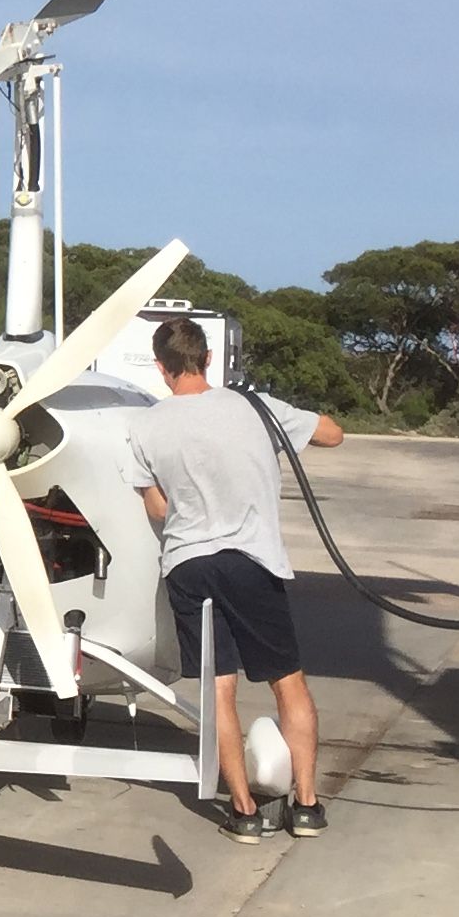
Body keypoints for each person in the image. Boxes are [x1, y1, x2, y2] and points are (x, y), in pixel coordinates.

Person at [123, 315, 345, 843]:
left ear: (161, 367)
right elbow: (333, 434)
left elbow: (157, 509)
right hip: (251, 559)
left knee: (219, 690)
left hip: (188, 564)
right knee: (286, 682)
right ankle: (307, 805)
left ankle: (244, 811)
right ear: (208, 359)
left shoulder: (144, 426)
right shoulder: (256, 407)